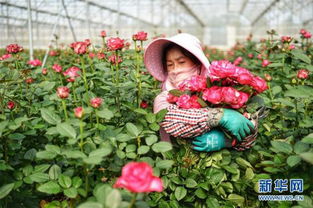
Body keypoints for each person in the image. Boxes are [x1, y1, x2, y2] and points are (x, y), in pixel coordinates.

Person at [144, 33, 255, 152]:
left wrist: (228, 141)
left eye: (181, 62)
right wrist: (219, 116)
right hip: (178, 164)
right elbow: (170, 119)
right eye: (170, 65)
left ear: (197, 63)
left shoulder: (219, 90)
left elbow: (250, 131)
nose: (175, 70)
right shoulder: (164, 97)